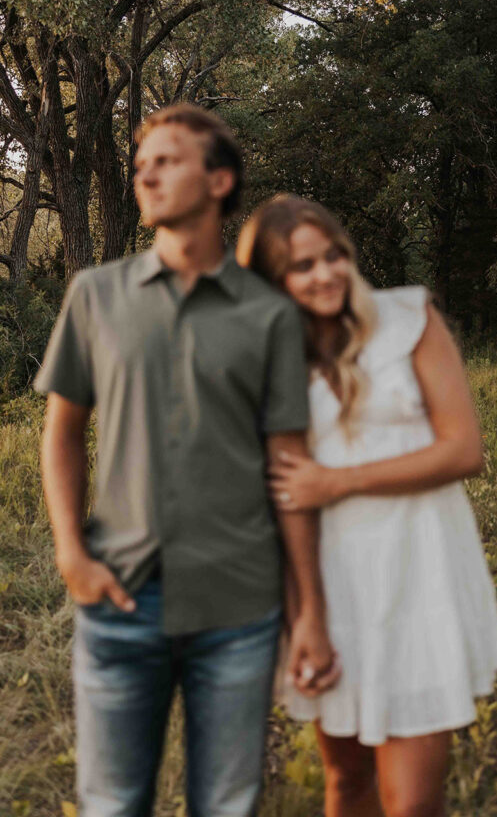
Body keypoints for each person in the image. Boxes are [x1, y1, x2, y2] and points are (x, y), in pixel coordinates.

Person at [34, 106, 338, 817]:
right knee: (112, 803)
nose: (146, 170)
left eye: (168, 159)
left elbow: (290, 470)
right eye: (143, 161)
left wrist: (311, 615)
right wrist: (70, 554)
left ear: (218, 180)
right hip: (118, 600)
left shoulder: (267, 316)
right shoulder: (95, 295)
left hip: (238, 608)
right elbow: (61, 434)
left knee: (226, 805)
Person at [235, 195, 497, 817]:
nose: (326, 273)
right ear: (271, 282)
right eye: (302, 266)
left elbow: (463, 449)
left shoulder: (407, 318)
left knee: (410, 803)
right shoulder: (268, 361)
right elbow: (282, 500)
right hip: (331, 584)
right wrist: (305, 617)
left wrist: (337, 481)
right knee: (347, 783)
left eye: (334, 255)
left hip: (420, 572)